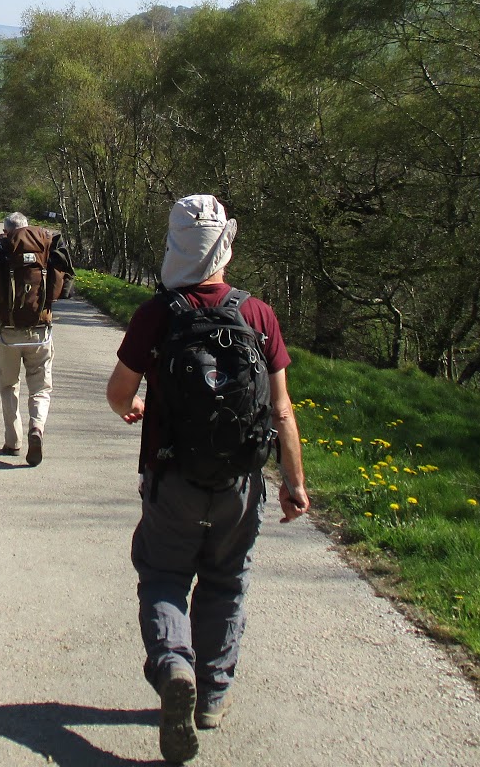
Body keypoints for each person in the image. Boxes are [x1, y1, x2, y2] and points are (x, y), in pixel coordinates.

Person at [105, 194, 309, 764]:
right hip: (239, 484)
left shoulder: (157, 314)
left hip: (171, 477)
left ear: (174, 247)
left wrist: (133, 407)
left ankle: (174, 664)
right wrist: (294, 482)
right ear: (225, 249)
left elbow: (119, 392)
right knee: (226, 581)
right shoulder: (258, 314)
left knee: (163, 576)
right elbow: (282, 410)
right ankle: (213, 696)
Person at [0, 212, 74, 465]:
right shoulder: (47, 245)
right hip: (41, 330)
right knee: (40, 387)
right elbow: (66, 285)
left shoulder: (2, 249)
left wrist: (0, 245)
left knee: (9, 385)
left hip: (8, 331)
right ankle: (37, 427)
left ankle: (13, 441)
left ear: (6, 230)